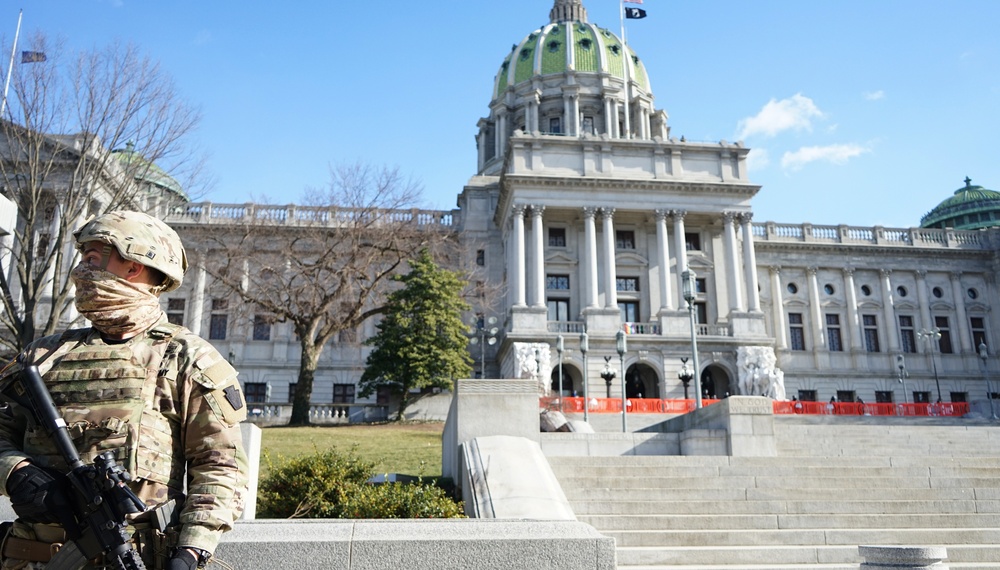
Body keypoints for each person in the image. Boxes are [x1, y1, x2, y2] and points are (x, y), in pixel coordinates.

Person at [0, 211, 248, 569]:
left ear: (133, 266)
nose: (79, 272)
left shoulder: (187, 358)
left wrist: (192, 550)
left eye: (93, 259)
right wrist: (16, 471)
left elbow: (220, 466)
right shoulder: (43, 356)